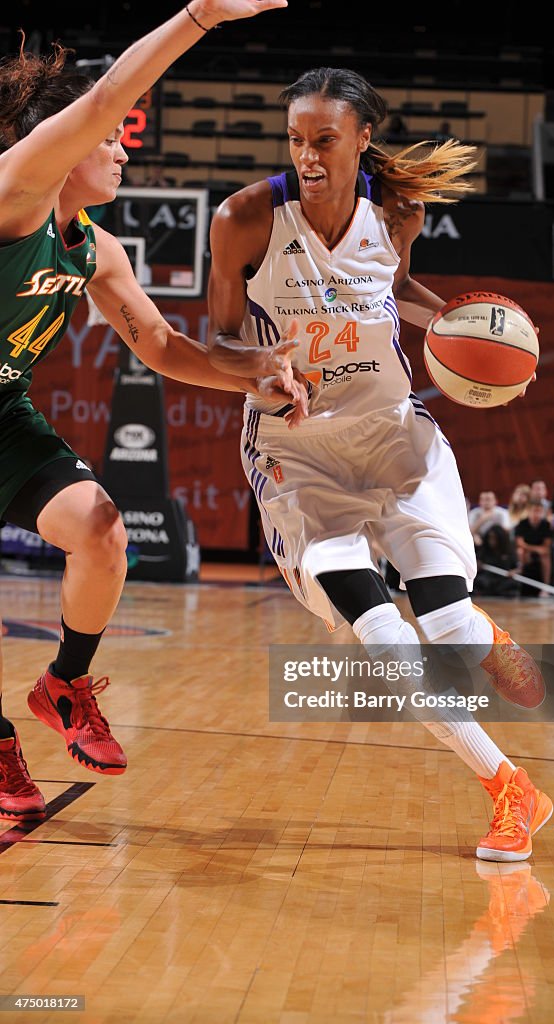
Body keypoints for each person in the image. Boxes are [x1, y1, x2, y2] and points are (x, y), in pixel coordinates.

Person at [206, 66, 552, 862]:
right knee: (380, 634)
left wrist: (485, 339)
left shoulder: (396, 210)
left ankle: (479, 630)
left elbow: (394, 291)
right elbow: (217, 338)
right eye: (295, 140)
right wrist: (260, 368)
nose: (308, 156)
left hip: (395, 437)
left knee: (445, 621)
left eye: (324, 140)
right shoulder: (244, 218)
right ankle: (510, 789)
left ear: (362, 138)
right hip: (297, 453)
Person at [0, 0, 305, 824]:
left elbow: (164, 346)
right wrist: (198, 16)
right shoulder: (12, 196)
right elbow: (101, 103)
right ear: (57, 145)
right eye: (108, 141)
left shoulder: (97, 248)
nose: (122, 146)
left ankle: (64, 685)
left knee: (101, 530)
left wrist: (255, 375)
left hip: (0, 412)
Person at [514, 499, 554, 596]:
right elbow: (520, 543)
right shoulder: (522, 524)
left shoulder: (546, 525)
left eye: (539, 511)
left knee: (546, 557)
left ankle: (546, 587)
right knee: (520, 552)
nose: (536, 514)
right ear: (529, 511)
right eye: (534, 511)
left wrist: (535, 550)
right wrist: (533, 549)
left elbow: (546, 546)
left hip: (540, 553)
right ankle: (518, 584)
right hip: (526, 551)